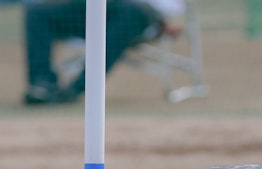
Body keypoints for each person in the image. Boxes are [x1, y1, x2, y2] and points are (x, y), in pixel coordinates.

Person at [23, 0, 184, 105]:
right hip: (91, 9)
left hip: (140, 16)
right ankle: (42, 84)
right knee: (37, 12)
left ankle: (75, 90)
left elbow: (172, 7)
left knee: (131, 12)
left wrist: (167, 21)